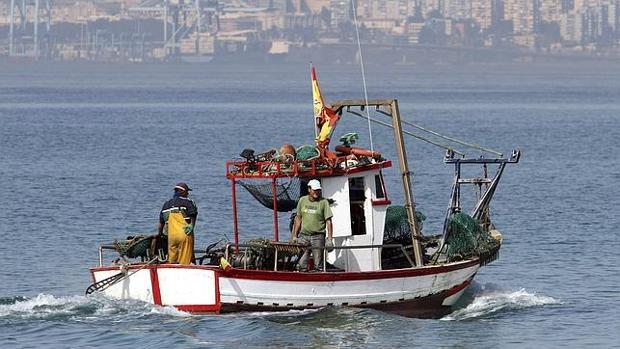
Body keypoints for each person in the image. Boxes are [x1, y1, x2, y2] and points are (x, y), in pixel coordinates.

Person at [292, 179, 333, 271]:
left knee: (318, 263)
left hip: (318, 236)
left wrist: (329, 239)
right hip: (304, 236)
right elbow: (298, 218)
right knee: (301, 262)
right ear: (309, 189)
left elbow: (329, 221)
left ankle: (319, 278)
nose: (317, 192)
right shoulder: (302, 200)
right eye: (315, 190)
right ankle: (302, 277)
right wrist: (294, 236)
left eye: (318, 190)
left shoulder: (324, 202)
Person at [157, 182, 198, 265]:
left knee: (172, 261)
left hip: (171, 237)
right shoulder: (187, 202)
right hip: (184, 234)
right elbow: (193, 214)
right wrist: (191, 225)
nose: (188, 193)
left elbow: (161, 223)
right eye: (187, 191)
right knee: (185, 261)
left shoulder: (166, 205)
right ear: (182, 192)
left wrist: (160, 235)